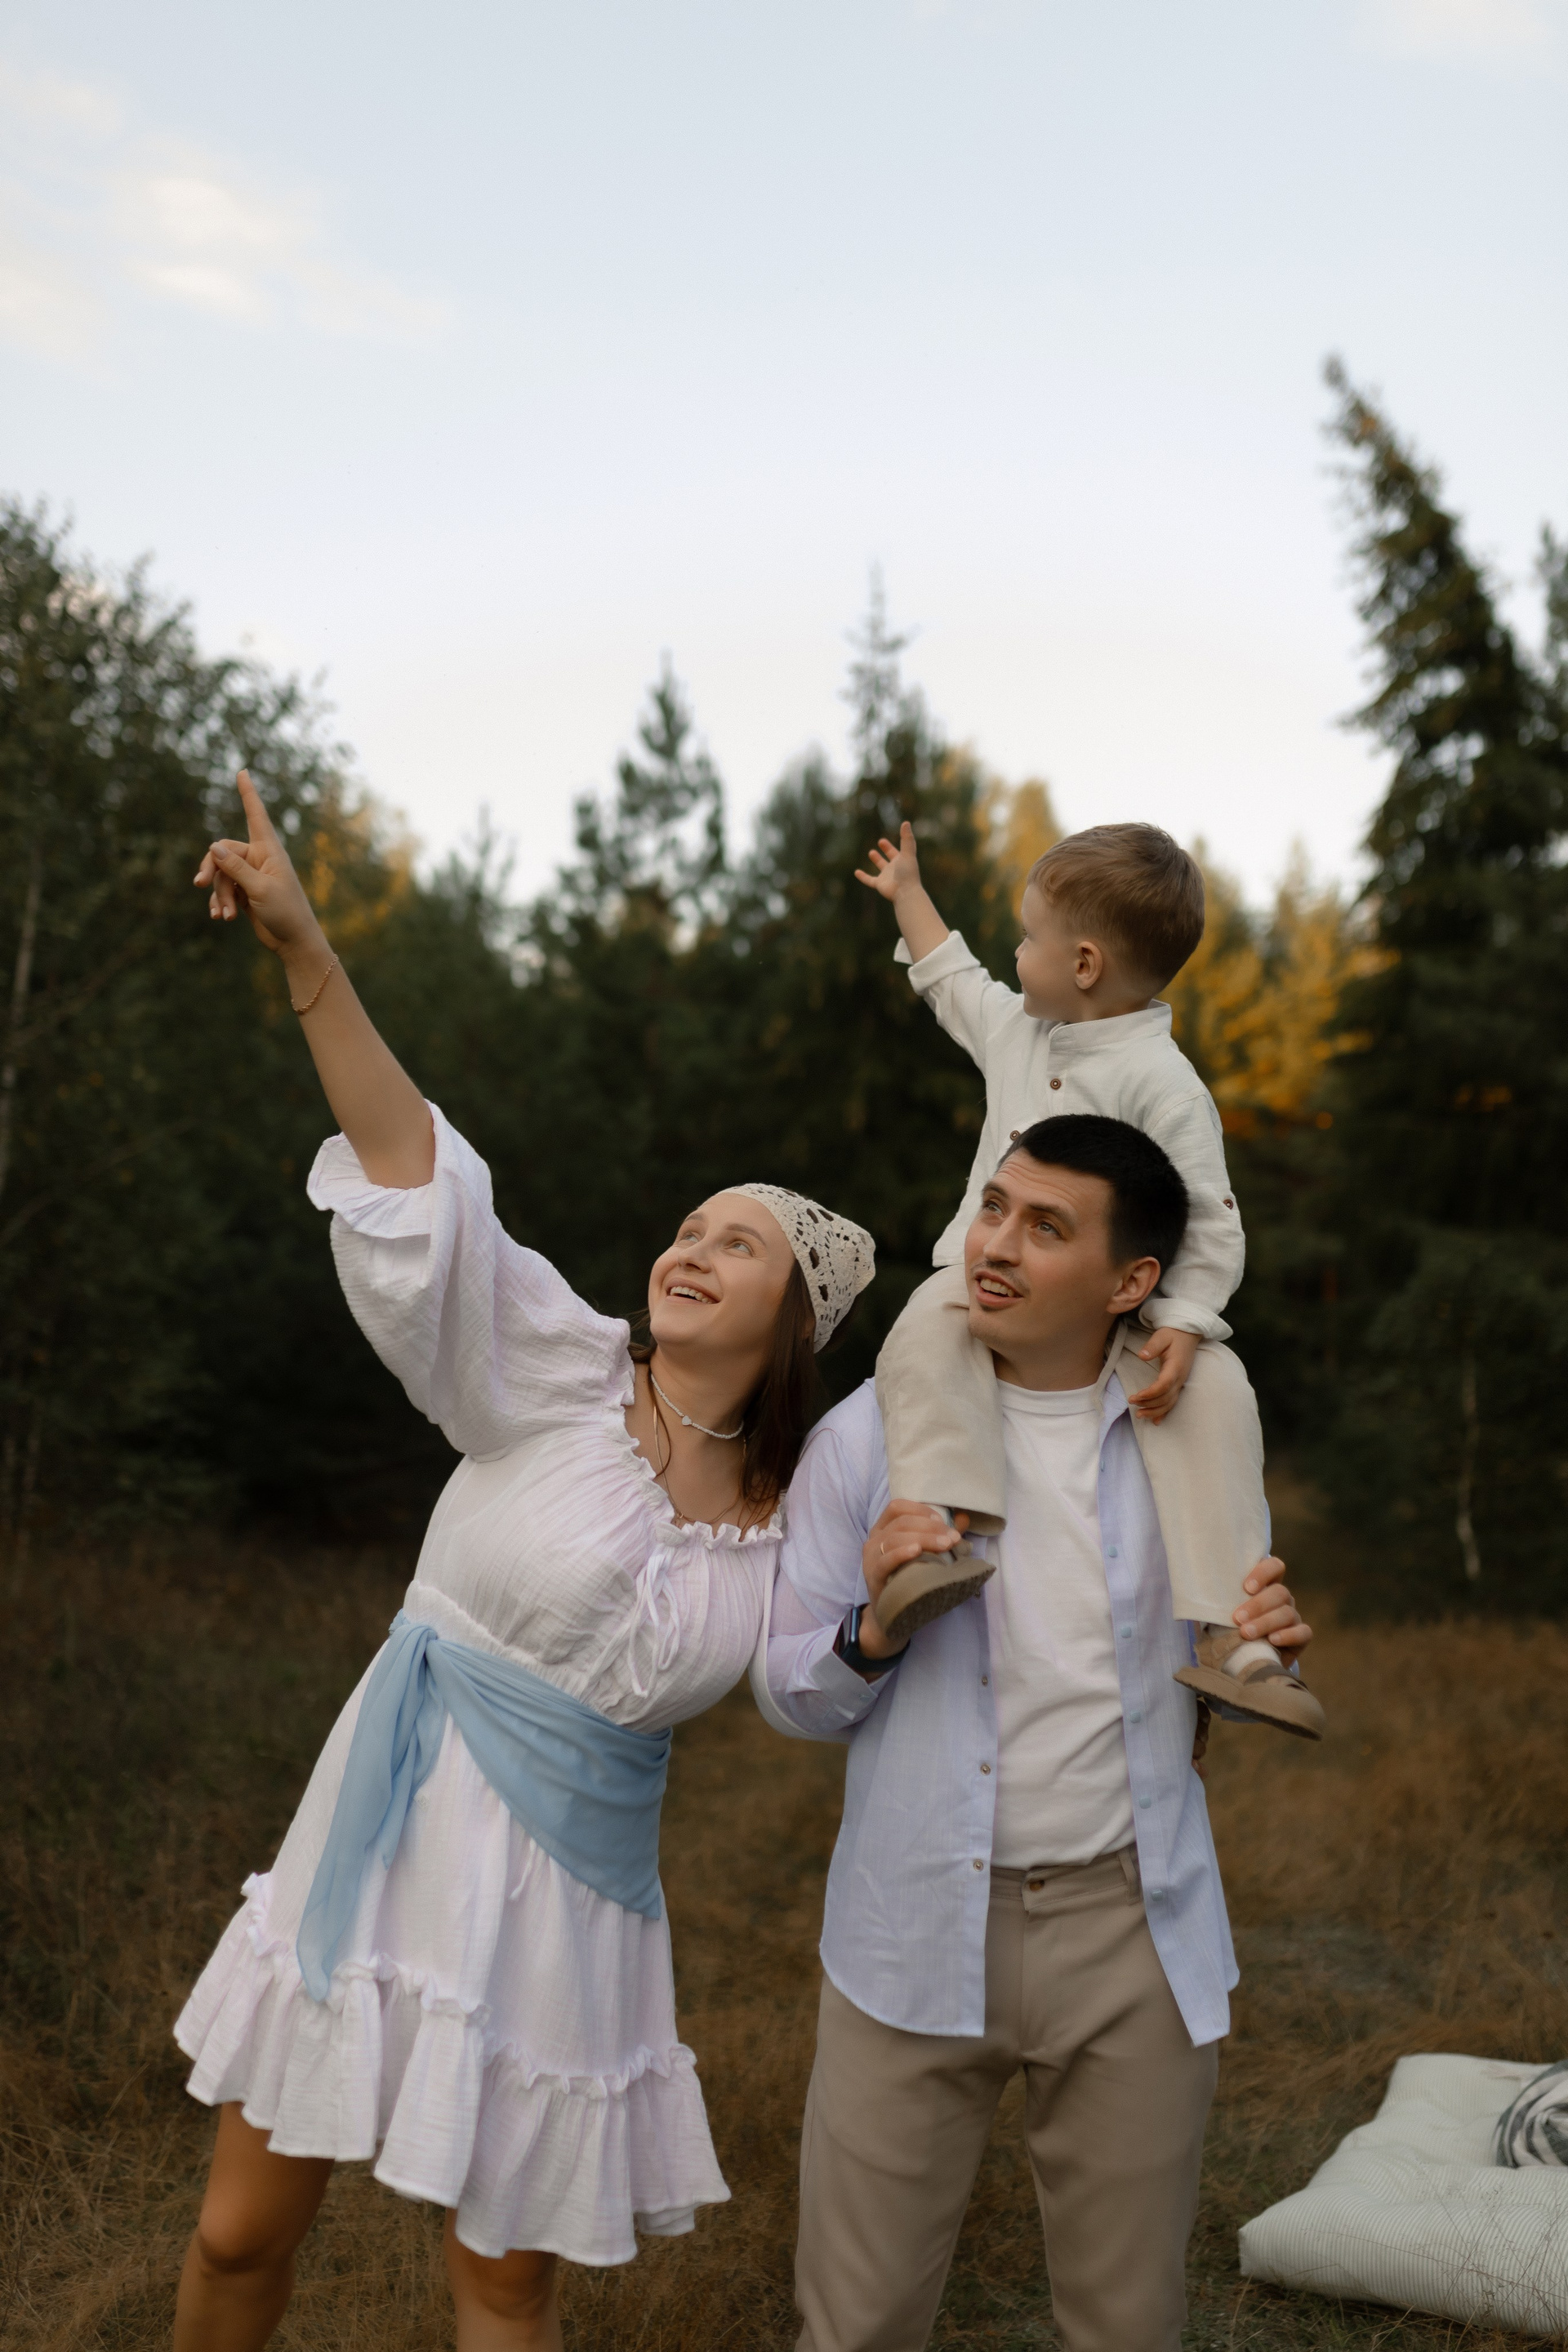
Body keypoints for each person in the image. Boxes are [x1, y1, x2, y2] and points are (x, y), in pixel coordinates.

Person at [174, 771, 875, 2352]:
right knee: (238, 2230)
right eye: (688, 1226)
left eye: (740, 1242)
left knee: (503, 2282)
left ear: (796, 1324)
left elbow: (832, 1667)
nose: (692, 1247)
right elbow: (421, 1177)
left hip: (569, 1910)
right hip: (390, 1819)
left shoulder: (797, 1515)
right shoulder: (556, 1373)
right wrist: (309, 955)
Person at [755, 1114, 1314, 2352]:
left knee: (1129, 2324)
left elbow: (1222, 1658)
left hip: (1133, 1929)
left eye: (1046, 1226)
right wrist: (873, 1628)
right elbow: (789, 1693)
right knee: (854, 2327)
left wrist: (1263, 1647)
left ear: (1131, 1282)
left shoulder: (1192, 1430)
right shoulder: (870, 1437)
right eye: (995, 1207)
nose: (995, 1245)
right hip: (910, 1925)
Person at [852, 817, 1321, 1738]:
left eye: (1028, 937)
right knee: (927, 1325)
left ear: (1085, 964)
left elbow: (1210, 1213)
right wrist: (908, 893)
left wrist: (1184, 1317)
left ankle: (1234, 1631)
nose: (1013, 953)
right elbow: (949, 976)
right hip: (984, 1281)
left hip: (1124, 1304)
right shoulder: (1020, 1031)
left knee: (1219, 1387)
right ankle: (932, 1536)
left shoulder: (1164, 1084)